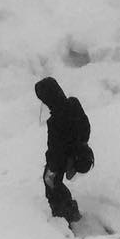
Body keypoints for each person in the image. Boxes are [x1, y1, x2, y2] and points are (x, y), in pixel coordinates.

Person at [33, 76, 92, 225]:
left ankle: (64, 218)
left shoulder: (55, 121)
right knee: (55, 184)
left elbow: (55, 149)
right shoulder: (73, 103)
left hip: (63, 158)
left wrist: (52, 167)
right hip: (80, 152)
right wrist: (80, 145)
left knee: (52, 185)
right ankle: (70, 213)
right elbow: (85, 126)